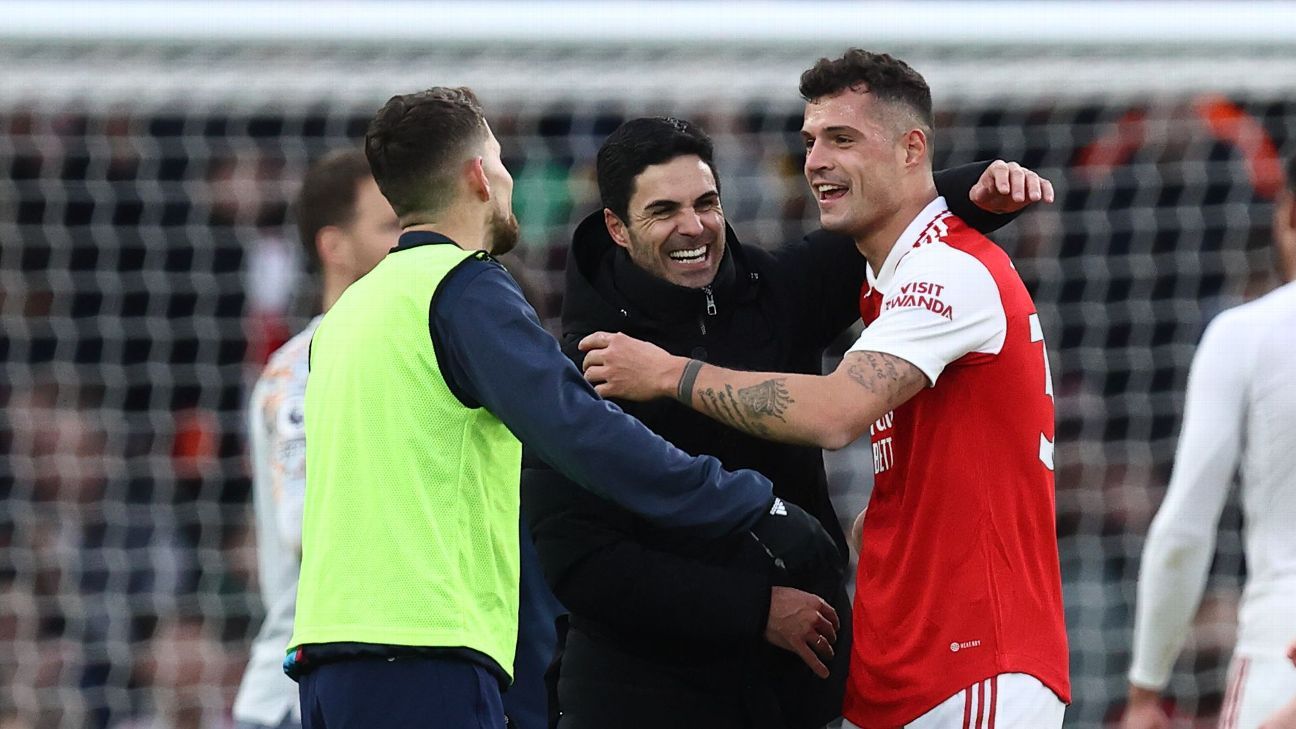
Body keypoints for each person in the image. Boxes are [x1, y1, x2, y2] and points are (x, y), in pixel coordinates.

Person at [287, 87, 837, 729]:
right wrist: (749, 503)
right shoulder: (463, 288)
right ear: (479, 176)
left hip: (327, 657)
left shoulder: (346, 315)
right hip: (420, 651)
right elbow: (581, 431)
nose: (508, 179)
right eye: (501, 161)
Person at [580, 50, 1071, 728]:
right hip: (904, 665)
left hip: (975, 661)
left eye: (842, 138)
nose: (815, 161)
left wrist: (668, 372)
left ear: (911, 149)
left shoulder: (949, 271)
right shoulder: (888, 284)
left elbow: (836, 413)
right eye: (810, 141)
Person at [1123, 155, 1296, 729]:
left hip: (1282, 646)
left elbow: (1184, 531)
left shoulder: (1246, 334)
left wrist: (1146, 689)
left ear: (1288, 215)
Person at [233, 149, 400, 729]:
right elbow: (306, 528)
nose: (410, 243)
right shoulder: (300, 372)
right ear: (335, 247)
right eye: (390, 227)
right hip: (299, 696)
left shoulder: (402, 355)